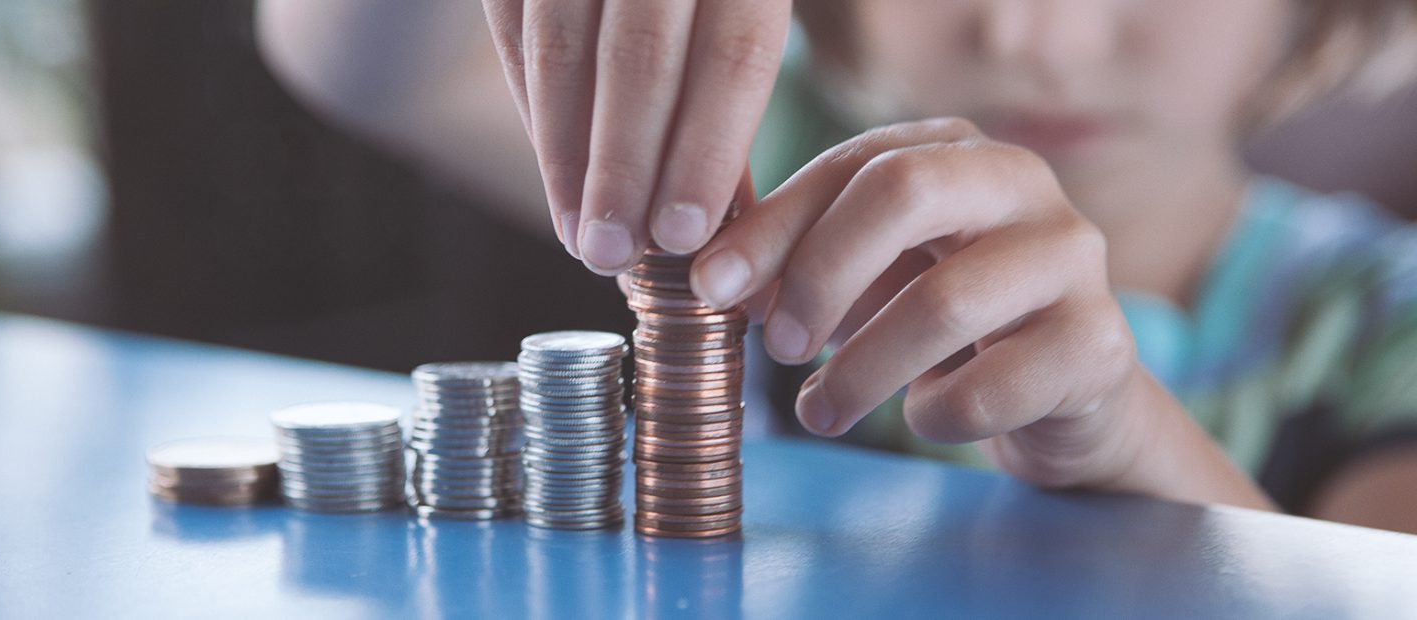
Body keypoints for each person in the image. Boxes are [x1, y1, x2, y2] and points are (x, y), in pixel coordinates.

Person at [257, 1, 1417, 532]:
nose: (1037, 36)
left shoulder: (1382, 321)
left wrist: (1128, 440)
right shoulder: (766, 152)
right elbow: (357, 60)